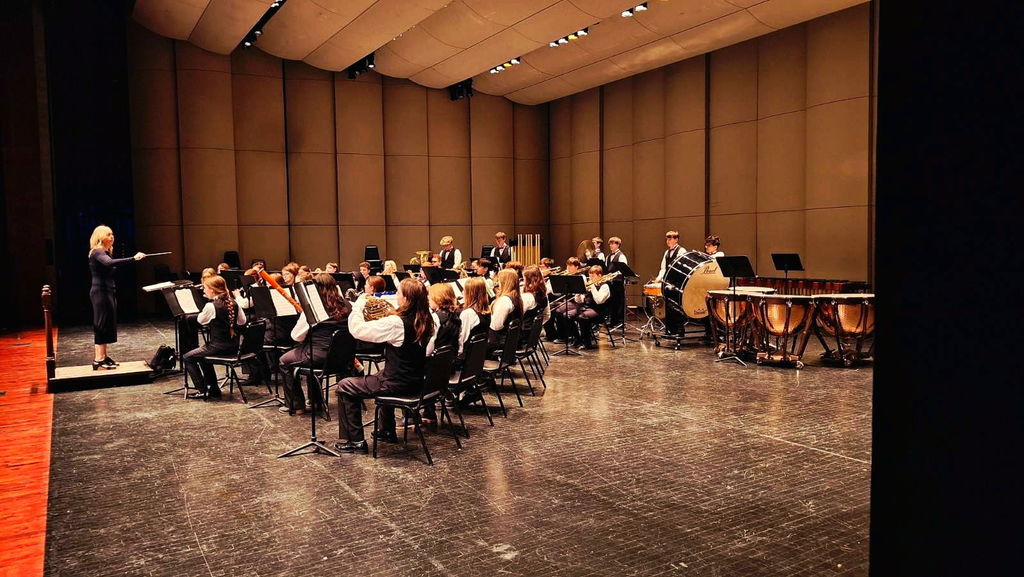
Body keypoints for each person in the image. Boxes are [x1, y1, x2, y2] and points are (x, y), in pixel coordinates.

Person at [334, 279, 439, 454]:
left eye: (398, 293)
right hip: (416, 379)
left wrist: (359, 305)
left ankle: (356, 441)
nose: (395, 296)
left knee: (345, 385)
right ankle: (386, 430)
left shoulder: (397, 324)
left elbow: (357, 330)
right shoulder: (428, 318)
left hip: (397, 383)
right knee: (381, 374)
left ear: (406, 298)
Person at [278, 274, 354, 415]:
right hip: (342, 358)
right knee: (307, 357)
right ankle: (314, 400)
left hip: (320, 356)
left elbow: (296, 336)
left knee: (284, 361)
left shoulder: (313, 307)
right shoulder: (348, 305)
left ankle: (296, 405)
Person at [88, 225, 146, 370]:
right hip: (100, 292)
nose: (112, 237)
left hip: (107, 291)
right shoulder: (97, 252)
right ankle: (98, 359)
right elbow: (109, 264)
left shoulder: (105, 252)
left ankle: (104, 356)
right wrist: (133, 258)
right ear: (100, 237)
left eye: (112, 234)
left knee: (107, 323)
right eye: (108, 234)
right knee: (101, 324)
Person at [182, 275, 247, 398]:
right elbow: (242, 322)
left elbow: (201, 321)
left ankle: (202, 389)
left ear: (212, 290)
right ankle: (213, 389)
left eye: (205, 288)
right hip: (234, 346)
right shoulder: (234, 303)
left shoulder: (211, 306)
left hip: (218, 347)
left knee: (187, 357)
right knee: (201, 356)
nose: (203, 290)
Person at [562, 265, 611, 350]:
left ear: (600, 275)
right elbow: (579, 301)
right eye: (590, 276)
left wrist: (592, 287)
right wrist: (578, 293)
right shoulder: (589, 285)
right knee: (567, 315)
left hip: (599, 311)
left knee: (582, 317)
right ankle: (578, 339)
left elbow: (599, 301)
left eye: (593, 276)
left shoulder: (604, 286)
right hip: (586, 308)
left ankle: (587, 343)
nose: (590, 278)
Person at [487, 268, 524, 357]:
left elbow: (496, 326)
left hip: (499, 342)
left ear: (504, 282)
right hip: (511, 341)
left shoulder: (504, 301)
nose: (497, 283)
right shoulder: (516, 297)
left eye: (499, 280)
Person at [656, 231, 686, 335]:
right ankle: (670, 329)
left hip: (677, 282)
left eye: (670, 238)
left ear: (676, 239)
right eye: (667, 238)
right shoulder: (666, 253)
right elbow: (663, 268)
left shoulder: (681, 251)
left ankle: (679, 330)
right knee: (668, 306)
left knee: (676, 306)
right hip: (668, 283)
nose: (668, 241)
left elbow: (680, 268)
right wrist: (659, 278)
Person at [520, 265, 549, 347]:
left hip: (523, 336)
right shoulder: (543, 294)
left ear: (529, 280)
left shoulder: (528, 297)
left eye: (524, 278)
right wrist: (536, 329)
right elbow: (547, 315)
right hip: (532, 335)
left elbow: (518, 315)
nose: (523, 280)